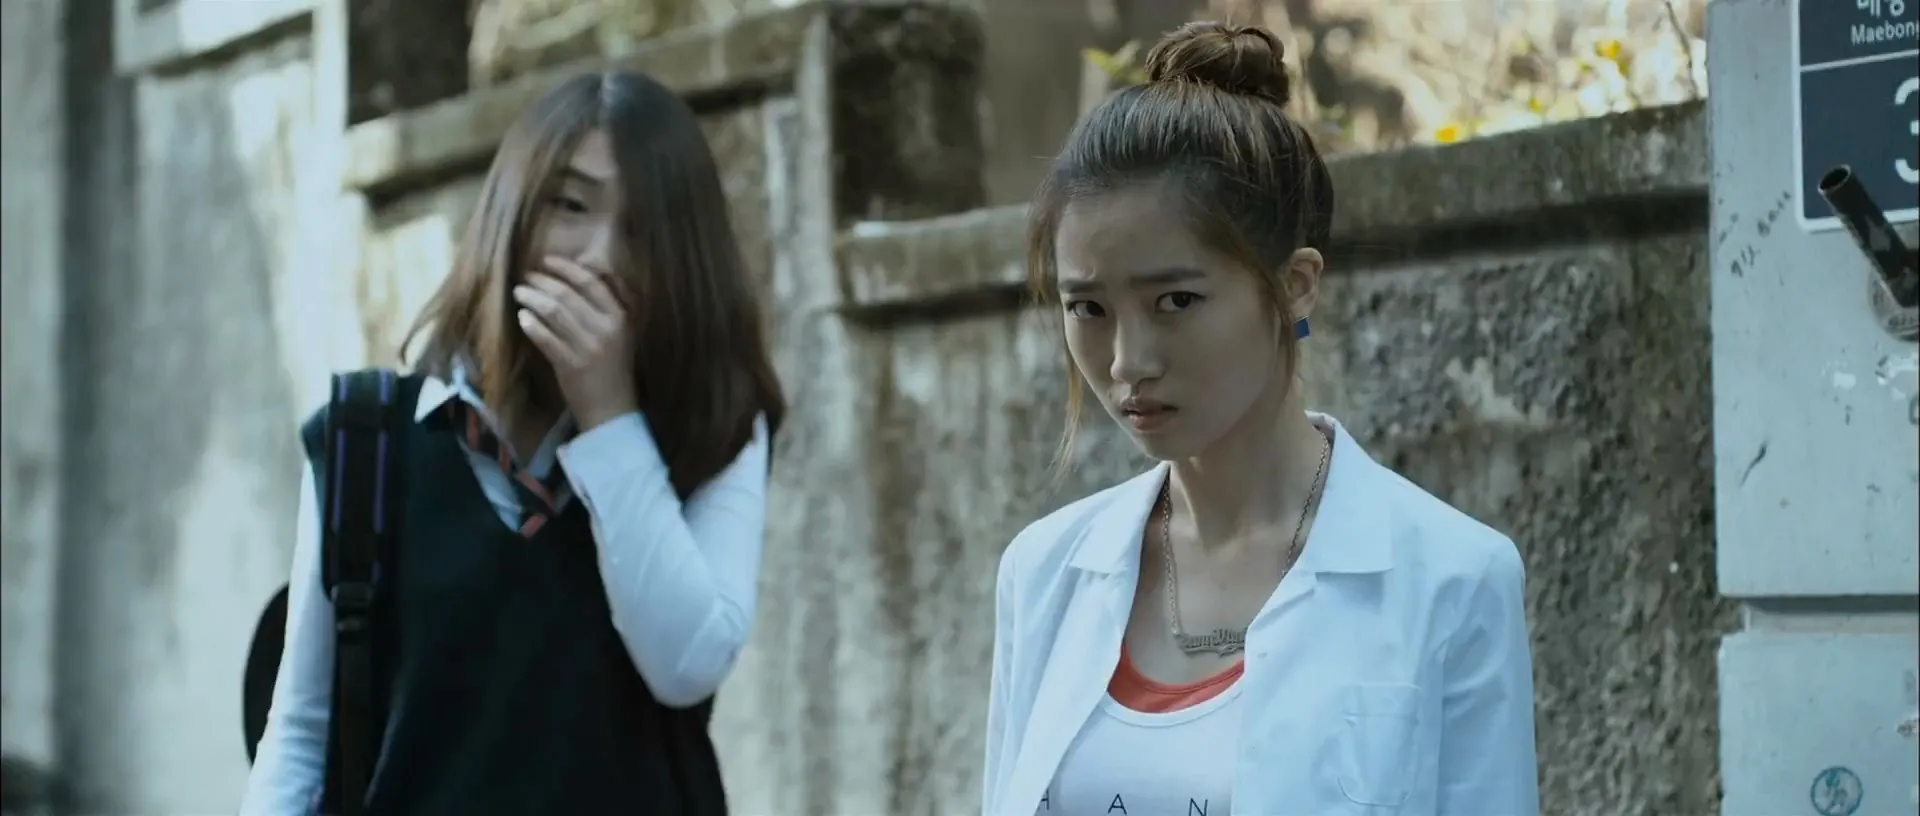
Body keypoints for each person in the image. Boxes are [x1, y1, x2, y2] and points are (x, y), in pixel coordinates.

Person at [980, 21, 1539, 816]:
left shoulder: (1451, 577)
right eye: (1089, 308)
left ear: (1296, 284)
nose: (1127, 361)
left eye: (1176, 300)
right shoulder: (1044, 573)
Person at [240, 70, 784, 815]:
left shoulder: (713, 425)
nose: (599, 256)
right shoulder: (366, 439)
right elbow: (303, 732)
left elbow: (686, 666)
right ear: (512, 215)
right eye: (570, 206)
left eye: (640, 230)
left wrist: (610, 416)